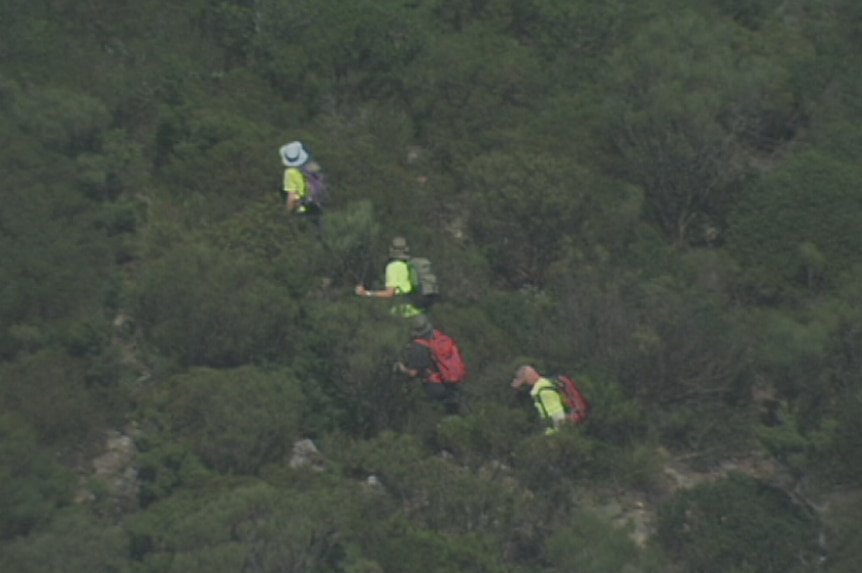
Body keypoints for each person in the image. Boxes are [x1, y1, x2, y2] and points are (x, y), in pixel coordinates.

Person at [395, 315, 462, 415]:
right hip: (452, 382)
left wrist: (402, 368)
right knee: (453, 411)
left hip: (434, 386)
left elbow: (413, 373)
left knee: (428, 410)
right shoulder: (437, 335)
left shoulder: (417, 347)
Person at [355, 237, 424, 319]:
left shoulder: (392, 267)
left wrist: (366, 293)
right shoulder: (409, 265)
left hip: (400, 311)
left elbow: (389, 293)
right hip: (415, 309)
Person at [511, 365, 566, 435]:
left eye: (525, 380)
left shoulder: (538, 389)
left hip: (554, 420)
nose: (527, 383)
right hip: (560, 416)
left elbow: (548, 410)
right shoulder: (547, 382)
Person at [279, 141, 324, 217]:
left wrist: (287, 213)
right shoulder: (312, 165)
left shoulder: (290, 172)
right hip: (319, 203)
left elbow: (291, 197)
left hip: (304, 207)